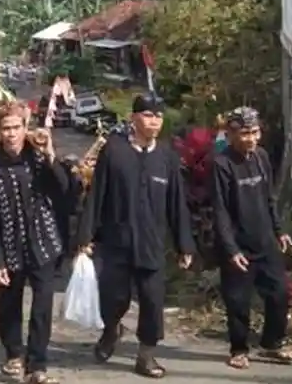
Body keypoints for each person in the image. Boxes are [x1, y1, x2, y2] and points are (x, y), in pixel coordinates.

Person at [78, 94, 195, 379]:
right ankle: (111, 330)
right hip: (116, 241)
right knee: (113, 298)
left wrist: (184, 244)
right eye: (147, 115)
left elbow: (176, 203)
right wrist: (84, 236)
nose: (154, 121)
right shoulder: (114, 151)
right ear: (134, 118)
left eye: (158, 116)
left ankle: (146, 355)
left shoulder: (166, 157)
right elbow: (97, 195)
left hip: (152, 244)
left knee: (153, 301)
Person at [0, 101, 71, 384]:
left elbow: (65, 189)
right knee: (9, 306)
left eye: (16, 127)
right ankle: (14, 354)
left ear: (25, 128)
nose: (11, 134)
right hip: (9, 248)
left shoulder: (39, 158)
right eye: (5, 128)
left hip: (43, 245)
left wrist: (50, 154)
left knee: (42, 306)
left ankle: (37, 364)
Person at [209, 107, 292, 370]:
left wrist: (279, 230)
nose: (251, 138)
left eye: (255, 132)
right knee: (238, 301)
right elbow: (221, 210)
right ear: (231, 134)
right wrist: (231, 249)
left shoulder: (261, 157)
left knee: (279, 293)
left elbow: (270, 198)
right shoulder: (221, 164)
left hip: (265, 240)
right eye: (244, 133)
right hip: (238, 245)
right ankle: (238, 349)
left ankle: (272, 343)